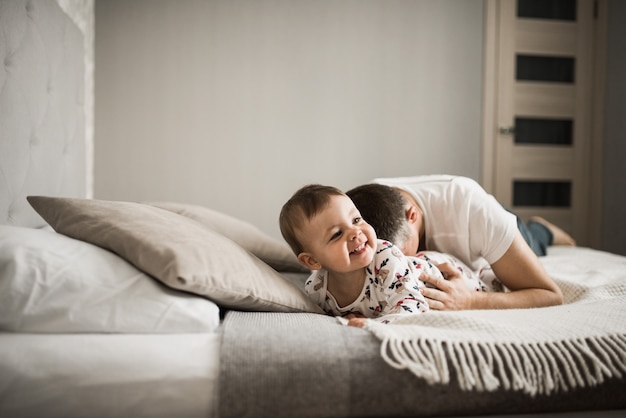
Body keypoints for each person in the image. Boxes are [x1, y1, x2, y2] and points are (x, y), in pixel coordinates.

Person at [279, 184, 503, 326]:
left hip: (442, 275)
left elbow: (413, 310)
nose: (356, 233)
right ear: (313, 260)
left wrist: (370, 325)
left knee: (492, 283)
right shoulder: (316, 290)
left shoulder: (385, 256)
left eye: (356, 220)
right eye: (337, 234)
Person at [346, 175, 575, 311]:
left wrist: (470, 300)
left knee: (534, 243)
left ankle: (543, 229)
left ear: (412, 216)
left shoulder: (473, 213)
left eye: (400, 255)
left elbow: (550, 295)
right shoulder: (359, 211)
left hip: (495, 220)